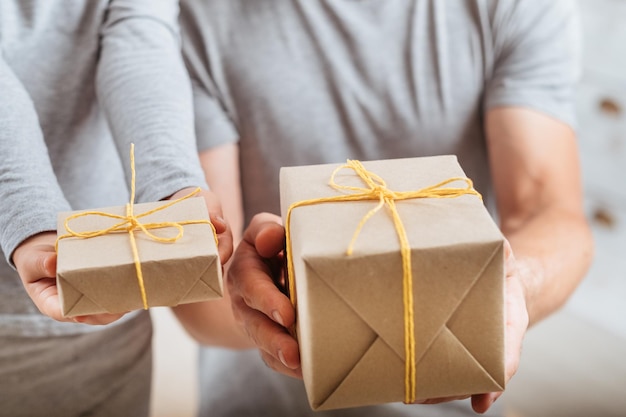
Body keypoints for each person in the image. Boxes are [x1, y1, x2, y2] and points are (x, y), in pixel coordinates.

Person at [177, 0, 593, 416]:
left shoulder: (517, 7)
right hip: (261, 402)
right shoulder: (187, 17)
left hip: (458, 391)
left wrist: (515, 288)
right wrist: (261, 296)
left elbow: (551, 215)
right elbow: (203, 301)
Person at [0, 1, 233, 416]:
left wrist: (172, 188)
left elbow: (139, 28)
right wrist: (32, 222)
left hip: (102, 300)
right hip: (56, 276)